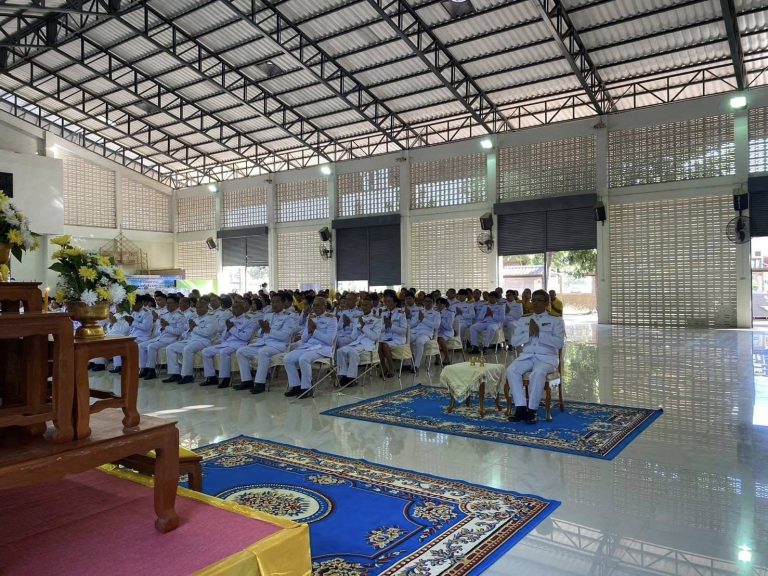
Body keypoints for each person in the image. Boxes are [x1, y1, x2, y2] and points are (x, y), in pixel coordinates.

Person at [506, 289, 565, 424]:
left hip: (547, 358)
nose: (535, 303)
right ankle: (520, 407)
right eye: (534, 300)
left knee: (537, 373)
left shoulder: (555, 320)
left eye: (539, 300)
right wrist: (529, 334)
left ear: (546, 302)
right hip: (527, 356)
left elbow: (559, 342)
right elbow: (514, 341)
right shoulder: (524, 319)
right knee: (511, 370)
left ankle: (532, 410)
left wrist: (539, 333)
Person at [234, 293, 299, 394]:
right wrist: (263, 330)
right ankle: (247, 380)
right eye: (272, 302)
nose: (274, 304)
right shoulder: (268, 315)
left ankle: (260, 383)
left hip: (279, 345)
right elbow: (260, 333)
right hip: (264, 342)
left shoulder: (289, 317)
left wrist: (269, 330)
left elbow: (284, 336)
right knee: (241, 351)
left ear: (283, 303)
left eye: (277, 302)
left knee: (263, 352)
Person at [284, 296, 337, 399]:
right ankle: (295, 386)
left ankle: (307, 388)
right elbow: (304, 339)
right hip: (309, 346)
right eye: (314, 305)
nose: (315, 308)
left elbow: (329, 340)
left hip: (323, 348)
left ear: (324, 306)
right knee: (288, 358)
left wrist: (314, 330)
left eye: (318, 305)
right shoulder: (311, 317)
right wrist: (308, 330)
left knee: (304, 359)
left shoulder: (332, 319)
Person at [201, 299, 257, 388]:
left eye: (236, 308)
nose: (234, 310)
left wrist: (232, 329)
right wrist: (227, 329)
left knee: (224, 352)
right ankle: (211, 377)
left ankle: (225, 378)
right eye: (233, 308)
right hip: (227, 343)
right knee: (205, 351)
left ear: (242, 308)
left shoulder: (249, 320)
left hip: (240, 344)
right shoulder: (230, 319)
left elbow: (246, 337)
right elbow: (224, 337)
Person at [162, 298, 218, 385]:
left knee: (187, 349)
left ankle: (188, 376)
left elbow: (207, 333)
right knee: (170, 348)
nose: (198, 309)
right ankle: (175, 373)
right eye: (197, 307)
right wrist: (184, 335)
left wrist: (194, 328)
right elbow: (188, 331)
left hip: (204, 341)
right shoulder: (196, 318)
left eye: (201, 307)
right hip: (191, 340)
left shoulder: (211, 318)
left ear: (207, 308)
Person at [336, 294, 382, 387]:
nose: (364, 307)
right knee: (340, 351)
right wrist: (356, 328)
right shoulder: (358, 318)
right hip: (357, 343)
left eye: (366, 305)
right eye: (363, 305)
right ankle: (344, 375)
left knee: (352, 352)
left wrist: (363, 326)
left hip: (368, 344)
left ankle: (351, 378)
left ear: (371, 307)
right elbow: (354, 336)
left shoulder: (377, 319)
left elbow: (375, 337)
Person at [140, 294, 186, 380]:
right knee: (141, 345)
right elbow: (158, 329)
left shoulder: (180, 316)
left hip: (172, 339)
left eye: (170, 303)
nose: (167, 305)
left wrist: (166, 327)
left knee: (151, 346)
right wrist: (162, 328)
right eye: (167, 303)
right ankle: (144, 368)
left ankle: (151, 370)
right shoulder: (164, 315)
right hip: (161, 337)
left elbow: (179, 332)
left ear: (177, 304)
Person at [111, 295, 153, 373]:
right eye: (131, 304)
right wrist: (130, 323)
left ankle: (138, 368)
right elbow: (132, 327)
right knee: (118, 343)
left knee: (130, 346)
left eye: (134, 304)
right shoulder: (133, 312)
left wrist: (132, 322)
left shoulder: (146, 313)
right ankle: (119, 366)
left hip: (143, 337)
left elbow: (146, 327)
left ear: (140, 303)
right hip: (133, 336)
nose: (132, 306)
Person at [378, 290, 408, 378]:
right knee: (379, 344)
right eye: (386, 301)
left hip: (398, 338)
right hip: (386, 337)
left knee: (385, 345)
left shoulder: (401, 313)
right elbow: (380, 328)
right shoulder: (383, 313)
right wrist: (386, 326)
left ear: (395, 303)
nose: (387, 304)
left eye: (389, 301)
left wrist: (391, 326)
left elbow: (404, 331)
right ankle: (383, 367)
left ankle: (391, 368)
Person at [407, 294, 440, 372]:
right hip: (415, 332)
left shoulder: (436, 313)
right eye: (426, 301)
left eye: (430, 301)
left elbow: (436, 326)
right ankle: (409, 362)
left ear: (433, 302)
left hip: (427, 334)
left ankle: (416, 365)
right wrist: (416, 320)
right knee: (406, 340)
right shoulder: (419, 312)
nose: (428, 303)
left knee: (419, 341)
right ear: (423, 302)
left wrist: (423, 319)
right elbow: (412, 324)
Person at [435, 297, 456, 365]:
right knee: (433, 339)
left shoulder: (450, 313)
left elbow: (449, 327)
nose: (438, 306)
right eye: (437, 304)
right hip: (437, 331)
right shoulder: (435, 312)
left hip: (447, 331)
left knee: (440, 339)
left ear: (444, 304)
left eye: (440, 304)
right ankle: (438, 357)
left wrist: (440, 319)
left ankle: (447, 357)